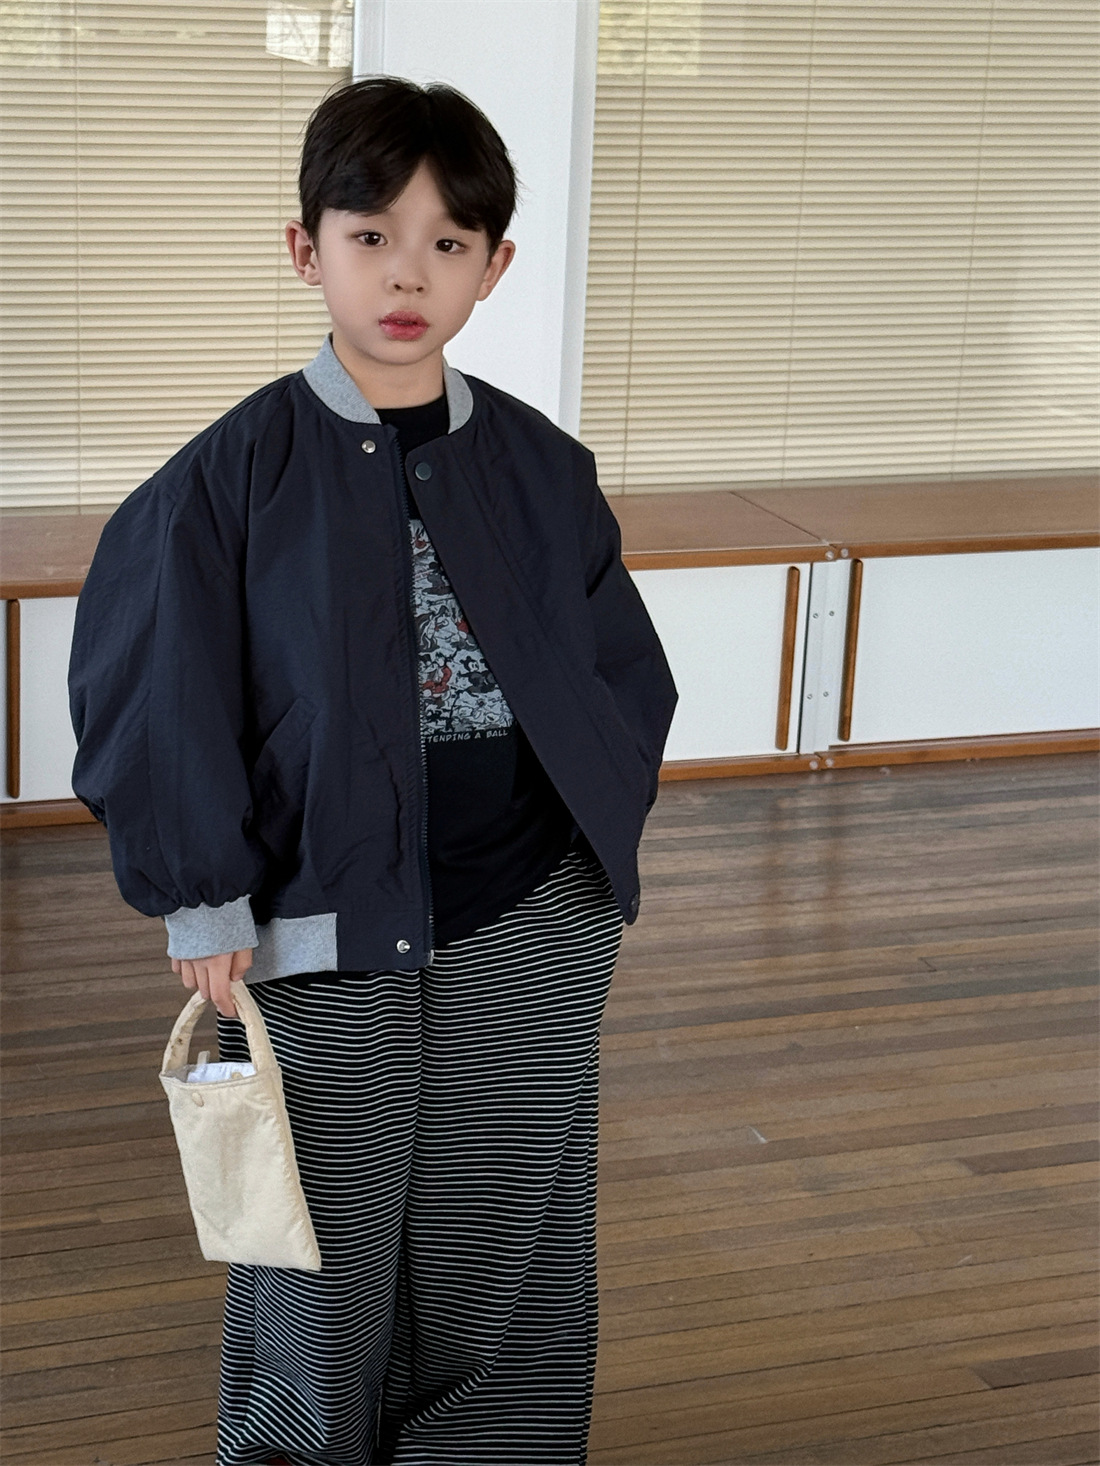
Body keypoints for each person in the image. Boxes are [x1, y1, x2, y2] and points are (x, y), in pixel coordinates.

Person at [67, 75, 677, 1466]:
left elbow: (619, 674)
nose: (409, 274)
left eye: (448, 243)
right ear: (307, 250)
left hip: (530, 912)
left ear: (493, 268)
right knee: (318, 1235)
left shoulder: (542, 467)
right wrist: (201, 896)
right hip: (315, 913)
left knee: (505, 1228)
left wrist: (593, 855)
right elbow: (154, 698)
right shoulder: (221, 480)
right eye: (371, 236)